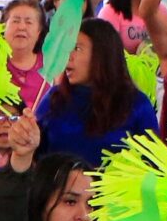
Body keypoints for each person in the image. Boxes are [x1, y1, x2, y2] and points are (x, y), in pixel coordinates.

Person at [33, 21, 157, 166]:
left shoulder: (137, 104)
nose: (68, 56)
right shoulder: (55, 98)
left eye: (77, 48)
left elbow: (154, 164)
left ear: (103, 54)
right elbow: (34, 156)